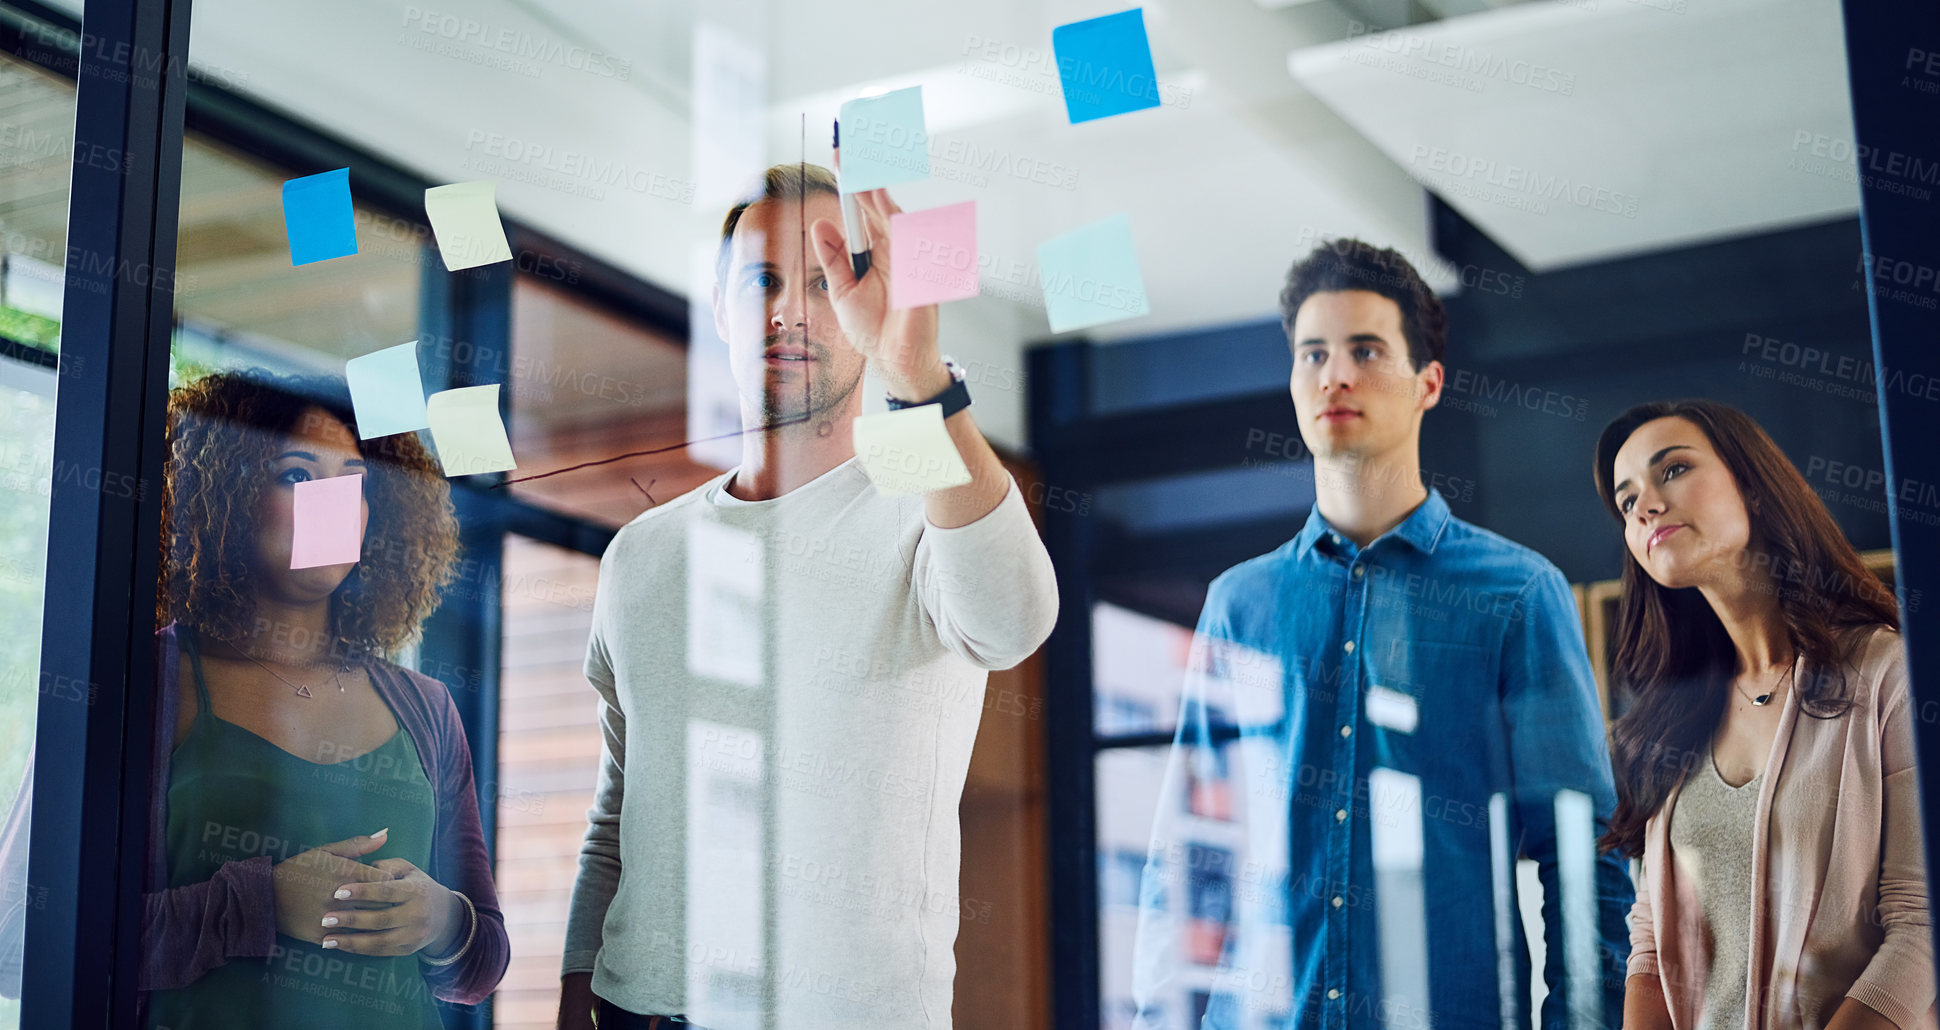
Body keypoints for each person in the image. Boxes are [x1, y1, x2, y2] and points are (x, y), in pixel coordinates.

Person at [555, 163, 1058, 1030]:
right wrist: (572, 995)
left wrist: (918, 375)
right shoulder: (640, 555)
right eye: (762, 281)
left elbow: (1013, 622)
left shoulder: (925, 499)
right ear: (720, 308)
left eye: (827, 281)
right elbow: (622, 807)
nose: (790, 310)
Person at [1132, 239, 1632, 1029]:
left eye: (1366, 349)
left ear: (1428, 382)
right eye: (1313, 354)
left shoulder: (1516, 594)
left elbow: (1583, 858)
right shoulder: (1240, 603)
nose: (1335, 375)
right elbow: (1188, 864)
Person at [139, 371, 507, 1027]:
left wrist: (443, 918)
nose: (332, 505)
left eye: (354, 483)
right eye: (298, 477)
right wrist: (262, 904)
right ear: (228, 493)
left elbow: (481, 965)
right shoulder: (149, 679)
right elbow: (28, 934)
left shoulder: (425, 707)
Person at [1595, 400, 1933, 1030]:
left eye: (1671, 471)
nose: (1644, 505)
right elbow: (1648, 945)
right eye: (1626, 500)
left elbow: (1922, 924)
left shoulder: (1886, 669)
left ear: (1751, 486)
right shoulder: (1669, 719)